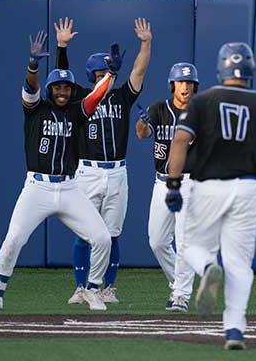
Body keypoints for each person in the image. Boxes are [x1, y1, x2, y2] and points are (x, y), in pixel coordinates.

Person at [0, 30, 123, 311]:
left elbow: (93, 99)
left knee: (102, 237)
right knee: (14, 238)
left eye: (66, 88)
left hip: (69, 188)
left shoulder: (74, 112)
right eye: (57, 87)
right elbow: (30, 86)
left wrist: (111, 76)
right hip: (37, 188)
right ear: (50, 89)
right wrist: (33, 64)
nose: (62, 92)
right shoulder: (35, 109)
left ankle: (92, 289)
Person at [165, 43, 256, 350]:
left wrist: (172, 184)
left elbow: (180, 140)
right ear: (251, 69)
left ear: (221, 67)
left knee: (193, 246)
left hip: (208, 185)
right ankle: (234, 329)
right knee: (239, 264)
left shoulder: (203, 101)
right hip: (247, 188)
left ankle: (208, 268)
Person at [54, 17, 152, 305]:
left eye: (107, 71)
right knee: (85, 232)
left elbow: (139, 70)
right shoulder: (81, 99)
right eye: (99, 73)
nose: (104, 76)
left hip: (117, 172)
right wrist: (61, 47)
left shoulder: (122, 97)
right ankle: (80, 287)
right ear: (90, 76)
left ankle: (108, 287)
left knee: (112, 234)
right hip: (88, 172)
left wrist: (146, 43)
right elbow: (61, 77)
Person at [134, 62, 198, 312]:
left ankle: (181, 295)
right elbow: (142, 134)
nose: (186, 87)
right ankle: (178, 284)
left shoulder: (199, 113)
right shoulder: (159, 108)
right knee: (157, 241)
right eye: (181, 82)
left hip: (188, 183)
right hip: (161, 183)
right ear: (172, 84)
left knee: (184, 241)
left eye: (190, 82)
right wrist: (142, 123)